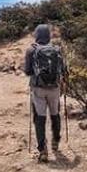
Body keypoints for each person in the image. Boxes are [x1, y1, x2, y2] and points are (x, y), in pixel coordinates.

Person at [24, 24, 66, 162]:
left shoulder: (31, 50)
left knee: (40, 117)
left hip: (38, 88)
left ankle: (43, 150)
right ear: (48, 35)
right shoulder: (57, 49)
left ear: (37, 35)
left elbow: (28, 71)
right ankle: (56, 141)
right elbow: (64, 70)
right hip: (54, 88)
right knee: (55, 114)